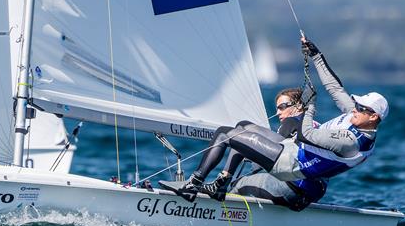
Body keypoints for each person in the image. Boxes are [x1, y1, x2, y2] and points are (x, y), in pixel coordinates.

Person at [160, 36, 388, 203]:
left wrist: (309, 107)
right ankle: (221, 185)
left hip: (291, 165)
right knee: (242, 127)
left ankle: (193, 185)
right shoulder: (357, 117)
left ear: (373, 116)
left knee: (226, 135)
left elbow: (306, 134)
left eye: (361, 108)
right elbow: (334, 88)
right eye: (356, 104)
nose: (354, 108)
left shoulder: (351, 140)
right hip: (291, 150)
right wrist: (316, 56)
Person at [226, 87, 329, 211]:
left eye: (282, 107)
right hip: (315, 192)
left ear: (298, 106)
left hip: (293, 188)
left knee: (239, 183)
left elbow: (278, 157)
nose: (277, 112)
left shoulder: (291, 122)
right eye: (277, 108)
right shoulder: (317, 126)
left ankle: (222, 211)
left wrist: (252, 153)